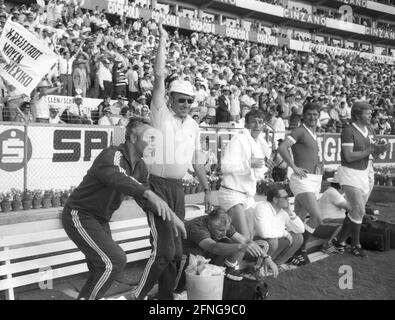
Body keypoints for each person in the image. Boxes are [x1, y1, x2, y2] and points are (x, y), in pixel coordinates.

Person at [62, 117, 185, 300]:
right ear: (133, 137)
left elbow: (145, 199)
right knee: (114, 261)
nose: (155, 144)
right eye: (150, 138)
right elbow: (119, 178)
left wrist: (172, 217)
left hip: (100, 220)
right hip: (79, 215)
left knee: (101, 267)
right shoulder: (112, 155)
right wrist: (148, 194)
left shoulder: (140, 166)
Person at [133, 22, 211, 301]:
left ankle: (165, 297)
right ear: (170, 97)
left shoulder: (192, 124)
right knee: (163, 250)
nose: (186, 104)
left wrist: (206, 187)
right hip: (155, 187)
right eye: (181, 99)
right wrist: (163, 39)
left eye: (190, 101)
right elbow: (158, 75)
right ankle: (138, 295)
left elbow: (196, 159)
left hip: (177, 189)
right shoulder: (160, 113)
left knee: (176, 251)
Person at [331, 102, 388, 257]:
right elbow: (348, 156)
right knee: (359, 209)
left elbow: (371, 154)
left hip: (363, 172)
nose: (371, 116)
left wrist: (379, 151)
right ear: (357, 115)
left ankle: (340, 241)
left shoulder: (369, 130)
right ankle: (355, 245)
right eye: (367, 113)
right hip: (349, 172)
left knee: (356, 211)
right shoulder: (348, 131)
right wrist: (371, 149)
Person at [175, 208, 278, 291]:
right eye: (220, 230)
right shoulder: (197, 228)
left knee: (226, 242)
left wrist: (266, 257)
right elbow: (214, 247)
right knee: (204, 252)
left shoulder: (221, 223)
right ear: (209, 224)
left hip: (200, 252)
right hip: (181, 255)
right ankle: (178, 290)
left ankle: (213, 278)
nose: (224, 233)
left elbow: (245, 241)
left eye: (226, 230)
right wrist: (240, 246)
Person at [277, 102, 324, 265]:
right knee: (317, 217)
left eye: (316, 114)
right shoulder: (300, 131)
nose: (313, 117)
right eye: (310, 114)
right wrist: (294, 167)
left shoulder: (314, 132)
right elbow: (282, 148)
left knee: (297, 221)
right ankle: (300, 250)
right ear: (304, 115)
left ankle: (286, 251)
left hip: (314, 180)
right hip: (303, 181)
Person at [219, 109, 273, 241]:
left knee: (249, 236)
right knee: (245, 238)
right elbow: (225, 167)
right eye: (253, 122)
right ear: (246, 124)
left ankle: (231, 261)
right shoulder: (238, 140)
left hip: (247, 195)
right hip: (232, 193)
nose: (257, 126)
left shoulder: (260, 143)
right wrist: (248, 164)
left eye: (260, 122)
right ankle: (227, 261)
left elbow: (256, 171)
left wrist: (266, 168)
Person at [254, 185, 304, 270]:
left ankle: (275, 265)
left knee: (298, 238)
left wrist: (290, 213)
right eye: (285, 197)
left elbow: (301, 229)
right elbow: (264, 233)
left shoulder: (283, 211)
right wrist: (284, 233)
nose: (288, 200)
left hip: (271, 244)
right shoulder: (262, 208)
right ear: (275, 199)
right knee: (273, 241)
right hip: (255, 244)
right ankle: (259, 268)